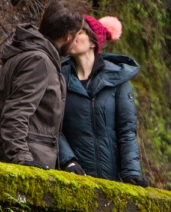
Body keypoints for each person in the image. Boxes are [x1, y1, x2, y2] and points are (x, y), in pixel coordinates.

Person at [0, 0, 86, 169]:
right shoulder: (39, 61)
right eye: (76, 36)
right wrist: (22, 158)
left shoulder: (29, 53)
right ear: (68, 36)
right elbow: (16, 112)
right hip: (23, 166)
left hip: (22, 159)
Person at [59, 15, 149, 186]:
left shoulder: (117, 79)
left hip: (112, 180)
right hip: (74, 179)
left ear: (93, 42)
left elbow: (126, 131)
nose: (71, 37)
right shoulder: (60, 78)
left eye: (79, 33)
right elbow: (52, 125)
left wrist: (131, 173)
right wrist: (67, 160)